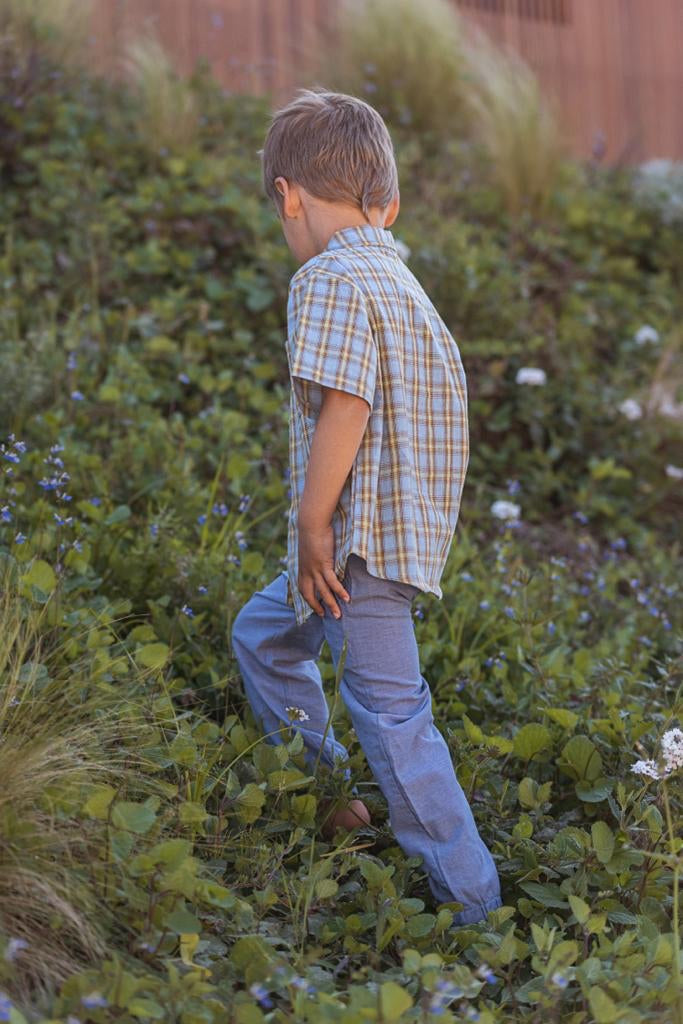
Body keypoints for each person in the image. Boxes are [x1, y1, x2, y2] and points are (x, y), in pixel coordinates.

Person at [230, 88, 503, 926]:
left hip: (353, 549)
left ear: (288, 196)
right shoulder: (400, 280)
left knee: (392, 714)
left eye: (283, 216)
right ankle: (328, 797)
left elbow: (345, 404)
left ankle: (472, 906)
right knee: (266, 635)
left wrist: (313, 525)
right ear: (387, 203)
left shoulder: (327, 276)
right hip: (397, 538)